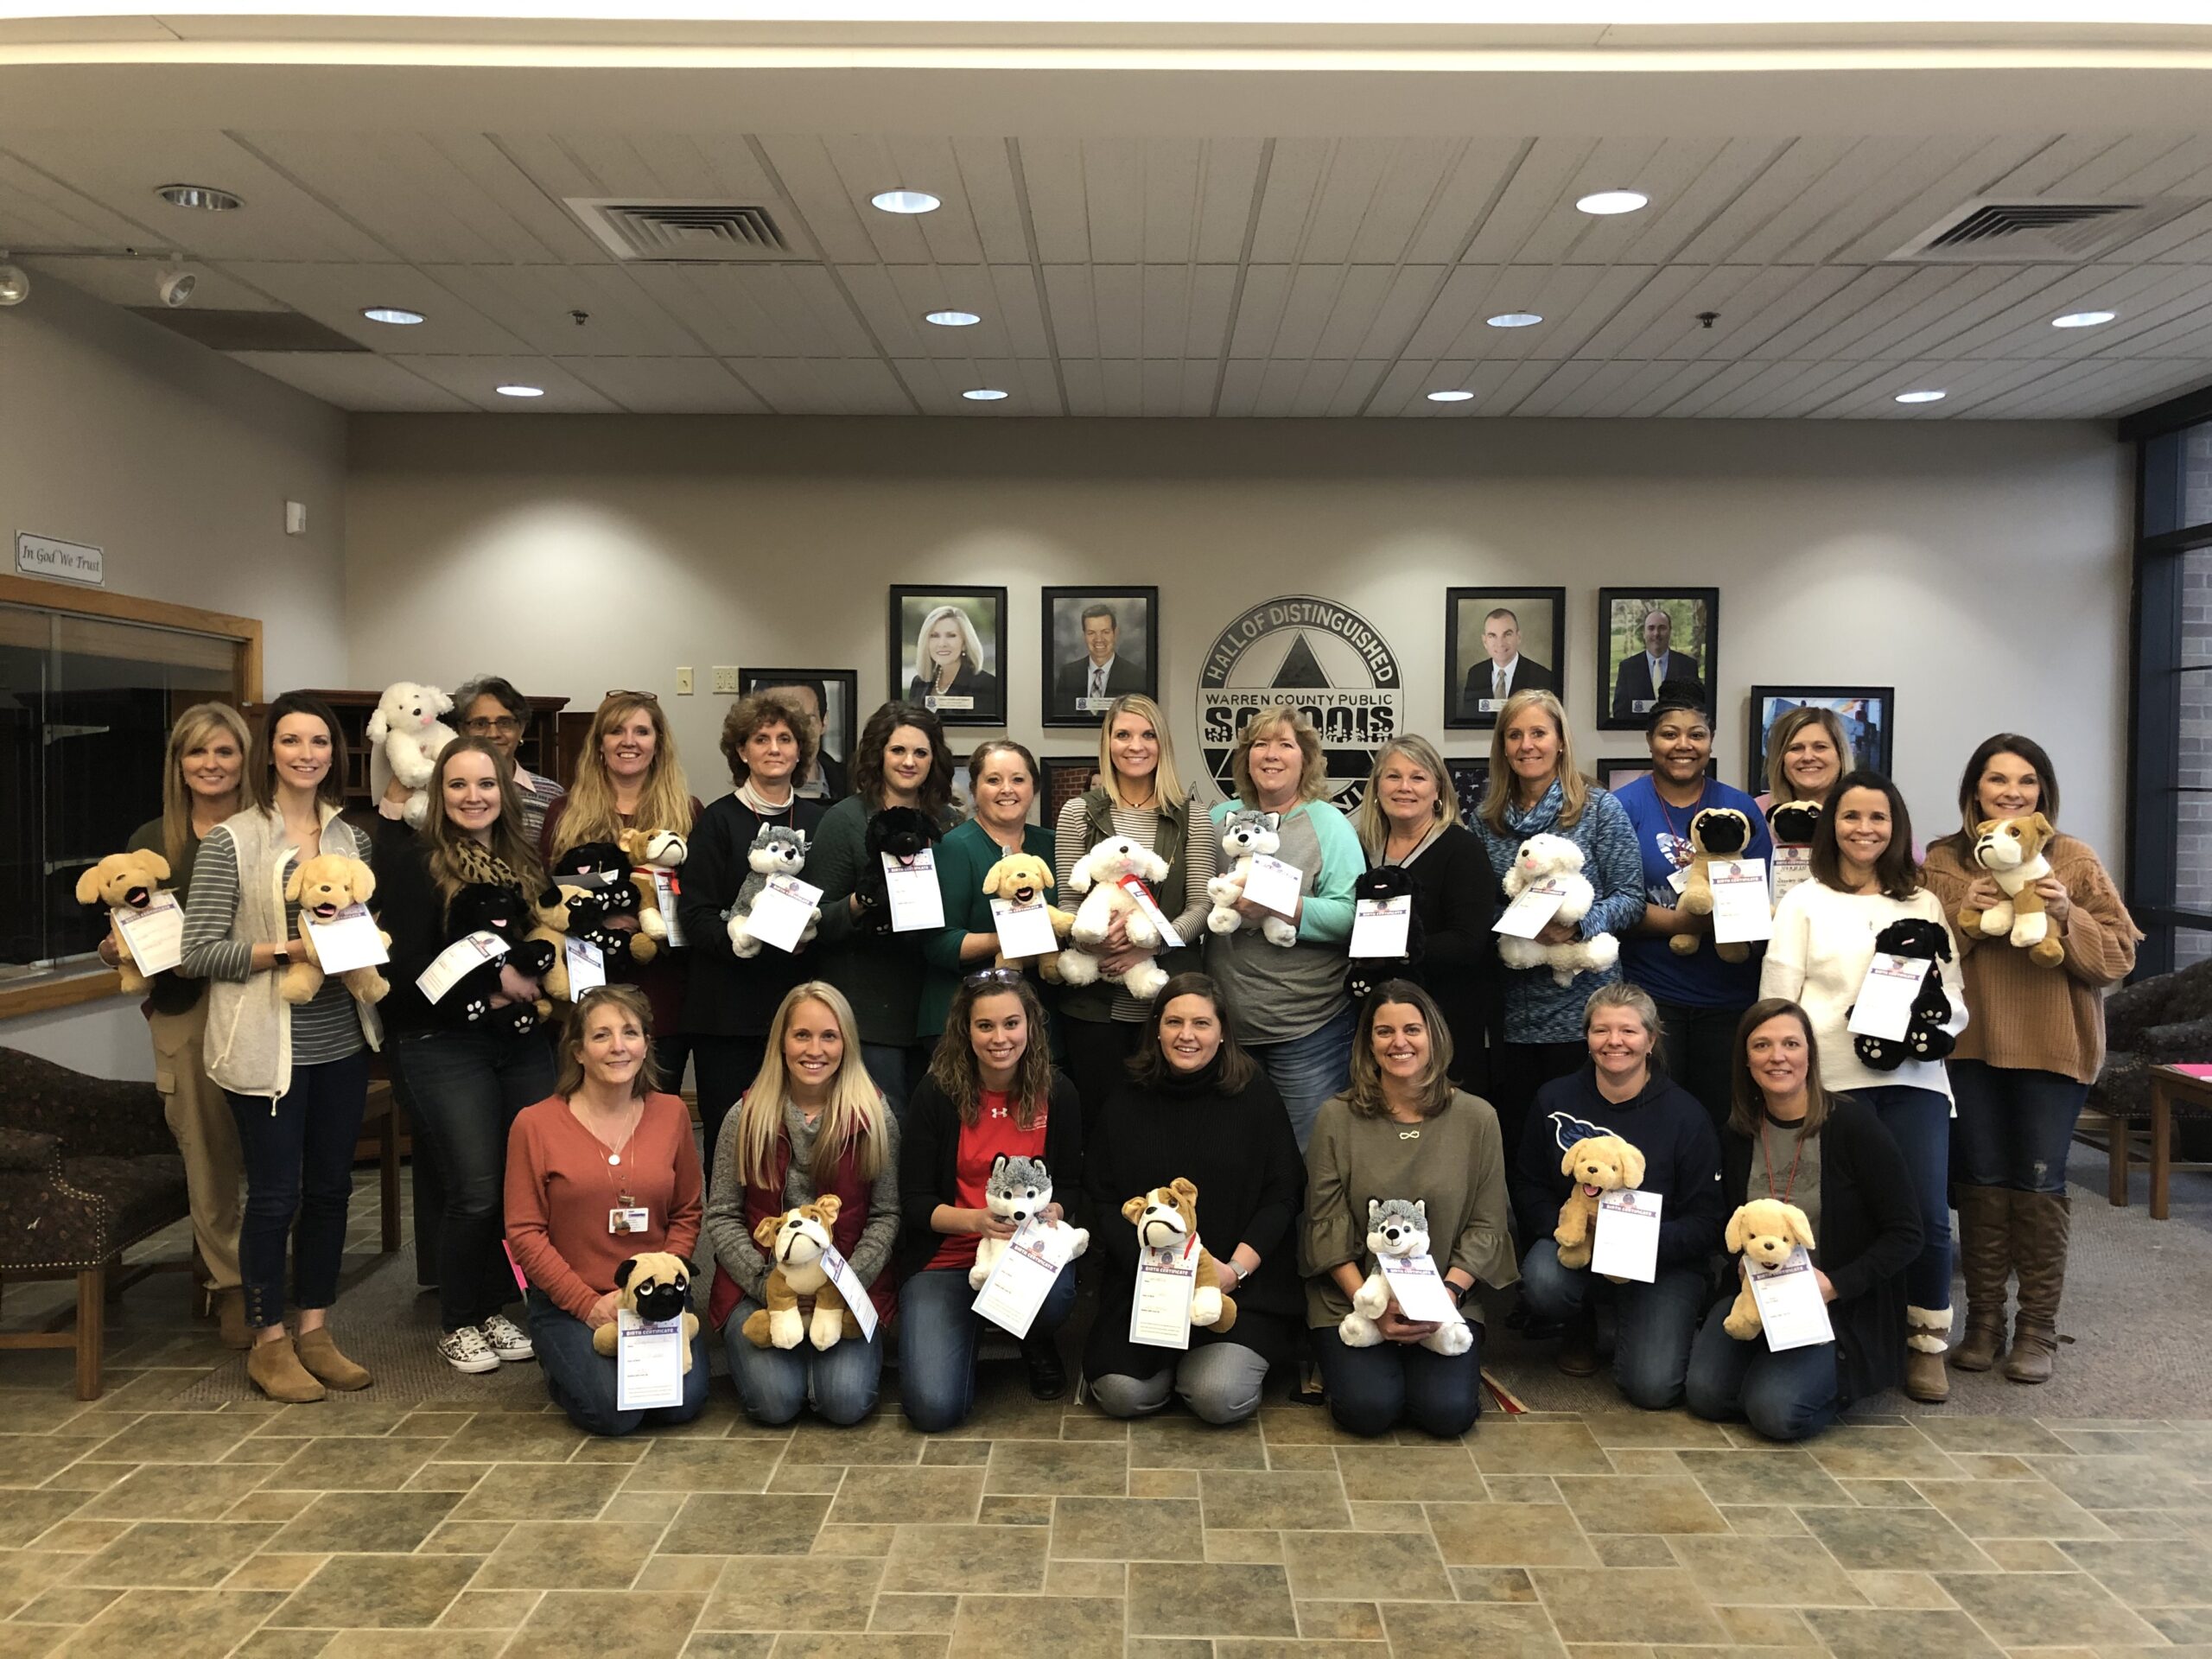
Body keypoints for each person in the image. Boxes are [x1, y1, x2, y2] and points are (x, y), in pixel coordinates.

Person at [178, 691, 379, 1404]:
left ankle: (315, 1331)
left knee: (330, 1190)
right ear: (270, 752)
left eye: (319, 741)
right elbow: (197, 952)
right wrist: (287, 950)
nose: (306, 754)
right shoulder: (232, 840)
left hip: (341, 1042)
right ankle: (269, 1344)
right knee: (273, 1197)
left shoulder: (350, 838)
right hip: (266, 1048)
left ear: (335, 753)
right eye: (292, 740)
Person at [1921, 735, 2139, 1385]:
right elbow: (1917, 955)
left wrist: (2068, 916)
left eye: (2026, 781)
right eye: (1997, 779)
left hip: (2053, 1046)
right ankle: (1985, 1323)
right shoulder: (1943, 860)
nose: (2012, 792)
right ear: (1974, 790)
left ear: (2043, 791)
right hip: (1970, 1047)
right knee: (1981, 1181)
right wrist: (1962, 916)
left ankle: (2038, 1329)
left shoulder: (2074, 859)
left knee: (2039, 1183)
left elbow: (2120, 956)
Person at [1760, 770, 1965, 1403]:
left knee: (1926, 1216)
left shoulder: (1923, 904)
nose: (1864, 829)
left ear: (1896, 828)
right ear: (1832, 824)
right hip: (1832, 1083)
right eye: (1851, 816)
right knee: (1836, 1218)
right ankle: (1833, 1326)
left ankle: (1925, 1341)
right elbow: (1776, 1003)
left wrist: (1934, 1032)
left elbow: (1954, 997)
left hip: (1914, 1081)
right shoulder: (1804, 901)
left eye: (1878, 817)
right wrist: (1782, 1072)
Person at [372, 736, 552, 1375]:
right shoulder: (417, 862)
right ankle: (459, 1320)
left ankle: (495, 1307)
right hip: (441, 1043)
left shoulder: (523, 860)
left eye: (485, 784)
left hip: (519, 1044)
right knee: (473, 1188)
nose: (473, 797)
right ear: (438, 793)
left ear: (504, 791)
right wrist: (495, 981)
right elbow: (402, 970)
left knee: (517, 1186)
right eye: (458, 785)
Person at [1684, 1000, 1924, 1441]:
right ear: (1746, 1060)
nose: (1777, 1057)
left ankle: (1815, 1379)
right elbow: (1726, 1224)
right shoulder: (1737, 1134)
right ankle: (1774, 1370)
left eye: (1790, 1044)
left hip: (1836, 1303)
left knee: (1776, 1414)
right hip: (1755, 1296)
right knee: (1705, 1396)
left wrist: (1835, 1284)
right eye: (1762, 1045)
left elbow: (1907, 1234)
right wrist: (1737, 1262)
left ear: (1810, 1054)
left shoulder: (1853, 1125)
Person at [1084, 974, 1304, 1424]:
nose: (1187, 1035)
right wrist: (1148, 1269)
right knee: (1123, 1395)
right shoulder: (1127, 1095)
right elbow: (1103, 1198)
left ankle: (1201, 1370)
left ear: (1222, 1032)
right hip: (1146, 1285)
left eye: (1201, 1023)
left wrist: (1234, 1270)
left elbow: (1283, 1196)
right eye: (1174, 1022)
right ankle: (1169, 1369)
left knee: (1216, 1397)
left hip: (1235, 1287)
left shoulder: (1255, 1093)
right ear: (1156, 1029)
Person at [1304, 982, 1516, 1438]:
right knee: (1369, 1410)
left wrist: (1444, 1299)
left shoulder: (1478, 1118)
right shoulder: (1335, 1118)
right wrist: (1372, 1306)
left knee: (1447, 1415)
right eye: (1384, 1032)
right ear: (1368, 1044)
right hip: (1356, 1300)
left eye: (1412, 1030)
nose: (1399, 1042)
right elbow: (1325, 1226)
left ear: (1434, 1036)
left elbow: (1487, 1226)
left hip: (1445, 1300)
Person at [109, 702, 253, 1350]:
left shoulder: (266, 830)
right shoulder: (151, 839)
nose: (211, 764)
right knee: (208, 1155)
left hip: (258, 1003)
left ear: (245, 759)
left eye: (225, 751)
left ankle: (275, 1274)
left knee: (273, 1153)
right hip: (184, 1011)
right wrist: (112, 950)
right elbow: (124, 929)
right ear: (178, 762)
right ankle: (230, 1286)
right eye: (197, 751)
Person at [503, 986, 709, 1435]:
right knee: (615, 1414)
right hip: (573, 1301)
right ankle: (559, 1361)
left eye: (630, 1033)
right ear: (578, 1051)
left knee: (680, 1405)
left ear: (646, 1044)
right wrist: (586, 1304)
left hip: (657, 1298)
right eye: (601, 1035)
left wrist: (663, 1280)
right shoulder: (534, 1124)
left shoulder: (672, 1113)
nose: (618, 1046)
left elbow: (687, 1211)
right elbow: (524, 1232)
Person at [1511, 983, 1723, 1403]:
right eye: (1601, 1030)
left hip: (1662, 1262)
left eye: (1628, 1030)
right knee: (1543, 1280)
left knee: (1653, 1389)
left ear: (1651, 1039)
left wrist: (1636, 1240)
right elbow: (1527, 1184)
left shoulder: (1687, 1115)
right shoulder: (1553, 1098)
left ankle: (1647, 1321)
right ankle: (1581, 1322)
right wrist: (1568, 1227)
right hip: (1579, 1246)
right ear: (1586, 1038)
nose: (1614, 1042)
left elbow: (1707, 1221)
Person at [703, 982, 899, 1427]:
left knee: (844, 1402)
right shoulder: (745, 1116)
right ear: (782, 1042)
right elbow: (722, 1214)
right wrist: (770, 1287)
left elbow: (886, 1214)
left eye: (829, 1036)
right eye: (802, 1035)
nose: (815, 1050)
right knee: (774, 1403)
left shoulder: (874, 1115)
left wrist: (843, 1284)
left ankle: (819, 1371)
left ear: (846, 1043)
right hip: (760, 1283)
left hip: (845, 1286)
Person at [899, 973, 1085, 1428]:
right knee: (933, 1409)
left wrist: (1056, 1210)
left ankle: (1031, 1334)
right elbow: (915, 1201)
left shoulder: (1058, 1092)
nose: (1000, 1038)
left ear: (1031, 1026)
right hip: (948, 1256)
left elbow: (1072, 1184)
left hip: (1028, 1253)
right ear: (965, 1030)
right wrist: (976, 1222)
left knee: (1055, 1298)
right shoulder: (936, 1094)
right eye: (985, 1026)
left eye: (1011, 1024)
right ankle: (972, 1325)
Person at [1467, 690, 1643, 1171]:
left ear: (1561, 740)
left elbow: (1631, 898)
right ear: (1503, 746)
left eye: (1538, 733)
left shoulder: (1600, 809)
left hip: (1586, 1013)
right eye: (1515, 735)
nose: (1527, 745)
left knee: (1590, 1152)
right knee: (1523, 1151)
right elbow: (1480, 905)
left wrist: (1577, 926)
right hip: (1514, 1014)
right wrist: (1515, 924)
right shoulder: (1484, 822)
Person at [683, 692, 832, 1175]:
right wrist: (743, 939)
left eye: (785, 739)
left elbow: (829, 906)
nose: (774, 748)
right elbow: (695, 915)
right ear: (741, 751)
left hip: (797, 1010)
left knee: (799, 1145)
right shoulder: (717, 820)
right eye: (761, 739)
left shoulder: (819, 821)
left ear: (800, 751)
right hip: (728, 1012)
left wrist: (809, 933)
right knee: (732, 1145)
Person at [1612, 681, 1774, 1129]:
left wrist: (1713, 921)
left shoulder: (1740, 807)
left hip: (1729, 996)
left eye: (1696, 734)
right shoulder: (1621, 807)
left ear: (1711, 740)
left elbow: (1758, 899)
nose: (1683, 745)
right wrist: (1689, 922)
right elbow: (1616, 905)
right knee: (1653, 1123)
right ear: (1650, 740)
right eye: (1669, 734)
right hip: (1651, 996)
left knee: (1723, 1123)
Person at [1053, 694, 1215, 1134]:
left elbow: (1202, 906)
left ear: (1163, 744)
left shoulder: (1193, 817)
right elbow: (1068, 903)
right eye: (1123, 735)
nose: (1135, 746)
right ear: (1107, 743)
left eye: (1147, 735)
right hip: (1093, 1007)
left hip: (1168, 1002)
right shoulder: (1079, 813)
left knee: (1168, 1128)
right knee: (1102, 1127)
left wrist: (1151, 945)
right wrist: (1094, 941)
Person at [1205, 704, 1363, 1150]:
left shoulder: (1329, 824)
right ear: (1245, 758)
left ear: (1305, 759)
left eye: (1285, 745)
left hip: (1309, 1029)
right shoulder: (1219, 820)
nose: (1271, 755)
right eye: (1260, 744)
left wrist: (1283, 906)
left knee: (1306, 1154)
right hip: (1230, 1027)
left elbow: (1351, 916)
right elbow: (1197, 901)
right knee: (1235, 1152)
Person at [542, 690, 700, 1091]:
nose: (629, 741)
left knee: (655, 1111)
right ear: (599, 743)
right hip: (586, 986)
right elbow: (545, 899)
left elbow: (700, 900)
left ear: (658, 743)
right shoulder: (564, 813)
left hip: (663, 992)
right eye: (616, 731)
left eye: (642, 731)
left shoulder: (689, 812)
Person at [807, 701, 959, 1113]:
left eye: (921, 752)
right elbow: (817, 919)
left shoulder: (950, 823)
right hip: (868, 1007)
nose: (909, 762)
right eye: (898, 750)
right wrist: (864, 902)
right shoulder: (846, 819)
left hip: (936, 1005)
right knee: (883, 1127)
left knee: (936, 1125)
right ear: (878, 754)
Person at [1349, 736, 1494, 1091]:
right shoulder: (1359, 847)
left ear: (1438, 790)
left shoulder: (1462, 848)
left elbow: (1469, 941)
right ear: (1377, 787)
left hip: (1445, 1017)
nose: (1404, 787)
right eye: (1393, 776)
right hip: (1374, 1018)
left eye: (1418, 777)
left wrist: (1396, 950)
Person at [919, 740, 1057, 1040]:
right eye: (993, 780)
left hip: (1040, 1020)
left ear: (1034, 787)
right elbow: (938, 943)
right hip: (963, 1022)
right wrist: (1013, 938)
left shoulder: (1052, 845)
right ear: (974, 789)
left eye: (1018, 780)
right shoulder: (952, 848)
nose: (1007, 789)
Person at [452, 674, 564, 844]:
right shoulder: (439, 792)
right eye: (480, 724)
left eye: (504, 723)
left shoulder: (552, 796)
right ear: (462, 730)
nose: (493, 734)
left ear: (521, 728)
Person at [754, 677, 849, 803]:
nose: (794, 734)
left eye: (805, 721)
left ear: (824, 722)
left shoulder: (852, 782)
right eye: (774, 723)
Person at [1459, 606, 1557, 721]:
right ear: (1485, 641)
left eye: (1507, 634)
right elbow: (1471, 717)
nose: (1500, 643)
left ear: (1518, 637)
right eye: (1492, 636)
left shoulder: (1542, 676)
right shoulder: (1475, 674)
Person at [1753, 705, 1852, 817]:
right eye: (1796, 748)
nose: (1807, 757)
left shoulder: (1866, 810)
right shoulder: (1755, 812)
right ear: (1780, 758)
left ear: (1840, 754)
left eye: (1820, 747)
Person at [906, 603, 1000, 716]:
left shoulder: (985, 685)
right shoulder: (919, 683)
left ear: (964, 643)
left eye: (951, 635)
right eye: (934, 636)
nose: (942, 644)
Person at [1052, 602, 1146, 716]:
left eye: (1105, 632)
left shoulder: (1136, 676)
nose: (1099, 639)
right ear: (1084, 636)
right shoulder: (1068, 674)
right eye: (1091, 633)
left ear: (1115, 633)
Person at [1611, 607, 1701, 721]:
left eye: (1662, 628)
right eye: (1651, 628)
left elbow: (1696, 708)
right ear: (1644, 633)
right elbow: (1620, 711)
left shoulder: (1687, 666)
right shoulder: (1628, 668)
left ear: (1670, 631)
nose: (1656, 633)